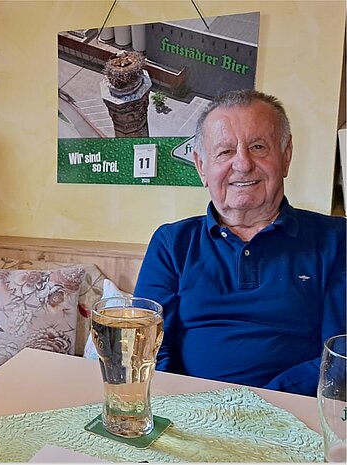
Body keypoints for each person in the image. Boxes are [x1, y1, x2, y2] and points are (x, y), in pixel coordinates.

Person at [134, 89, 346, 397]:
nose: (243, 164)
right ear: (201, 167)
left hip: (295, 412)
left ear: (286, 156)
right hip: (188, 412)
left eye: (258, 147)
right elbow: (147, 347)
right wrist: (186, 403)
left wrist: (256, 404)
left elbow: (339, 356)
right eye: (225, 152)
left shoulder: (337, 239)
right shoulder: (171, 244)